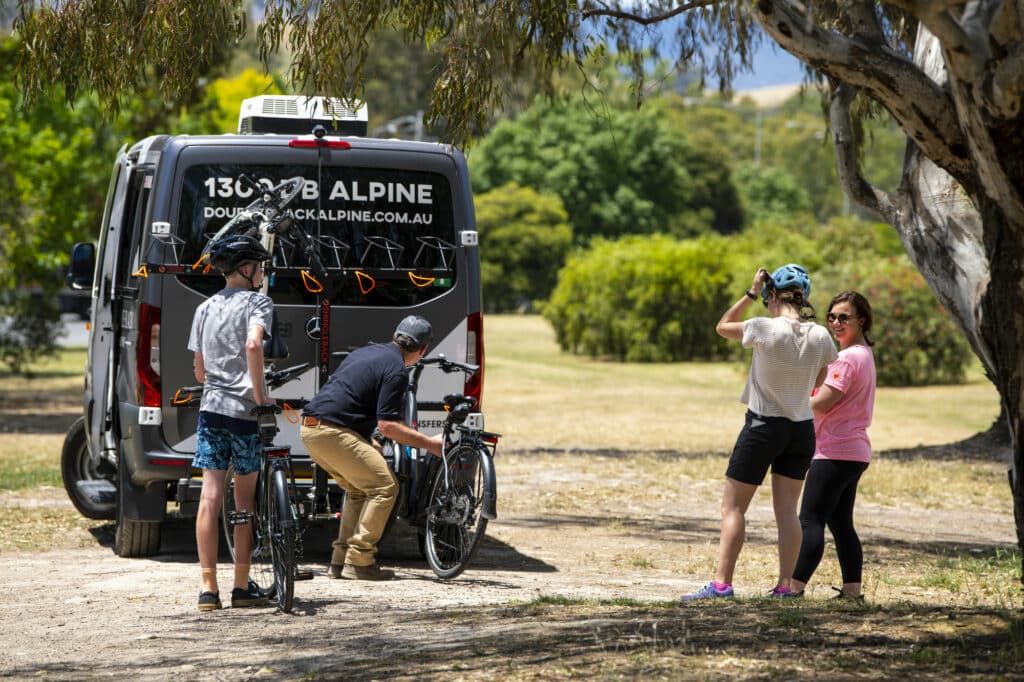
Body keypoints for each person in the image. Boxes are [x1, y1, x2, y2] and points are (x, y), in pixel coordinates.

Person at [682, 264, 838, 600]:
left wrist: (750, 292)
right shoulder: (821, 335)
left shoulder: (763, 327)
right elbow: (821, 377)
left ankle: (722, 584)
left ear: (772, 296)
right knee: (787, 511)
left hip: (763, 426)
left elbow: (722, 326)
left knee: (734, 508)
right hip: (801, 429)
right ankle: (785, 586)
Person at [300, 315, 444, 581]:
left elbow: (355, 399)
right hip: (332, 433)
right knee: (385, 487)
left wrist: (370, 440)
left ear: (395, 336)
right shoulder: (397, 370)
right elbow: (388, 425)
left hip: (311, 430)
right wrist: (430, 444)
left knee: (359, 490)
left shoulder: (365, 352)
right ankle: (360, 560)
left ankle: (340, 561)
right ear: (422, 350)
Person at [188, 234, 275, 611]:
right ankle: (241, 585)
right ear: (247, 268)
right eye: (260, 266)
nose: (262, 273)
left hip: (211, 411)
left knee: (209, 496)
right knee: (243, 500)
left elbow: (199, 371)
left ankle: (208, 589)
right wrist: (260, 396)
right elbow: (254, 345)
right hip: (244, 414)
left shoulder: (204, 308)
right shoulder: (259, 302)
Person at [790, 291, 876, 600]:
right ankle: (852, 591)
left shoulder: (849, 358)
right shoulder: (864, 354)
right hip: (853, 451)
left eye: (844, 317)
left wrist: (791, 400)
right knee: (840, 523)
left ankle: (793, 588)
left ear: (861, 321)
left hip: (835, 451)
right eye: (832, 317)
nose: (836, 322)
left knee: (810, 520)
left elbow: (824, 402)